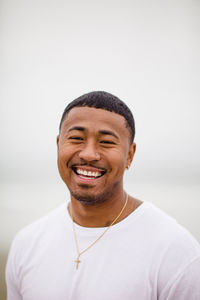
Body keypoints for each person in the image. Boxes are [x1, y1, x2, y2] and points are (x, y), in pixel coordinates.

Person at [6, 91, 200, 299]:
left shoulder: (174, 251)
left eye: (106, 142)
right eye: (76, 138)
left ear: (129, 155)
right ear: (58, 145)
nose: (89, 154)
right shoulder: (27, 244)